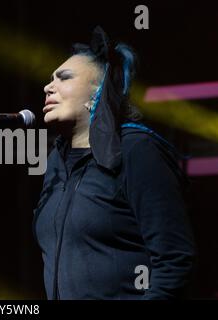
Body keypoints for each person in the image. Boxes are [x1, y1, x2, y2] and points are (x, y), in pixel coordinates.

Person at [33, 26, 196, 299]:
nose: (48, 86)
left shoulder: (135, 149)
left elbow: (175, 258)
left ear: (97, 92)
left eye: (64, 78)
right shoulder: (55, 162)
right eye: (51, 79)